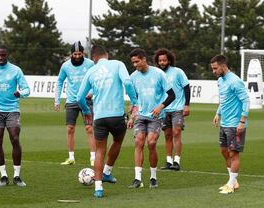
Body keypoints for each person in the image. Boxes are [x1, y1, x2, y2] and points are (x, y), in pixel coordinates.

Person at [77, 45, 138, 198]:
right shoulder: (118, 64)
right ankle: (107, 172)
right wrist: (134, 102)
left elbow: (79, 98)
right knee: (117, 141)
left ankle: (98, 188)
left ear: (94, 58)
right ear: (107, 55)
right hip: (117, 115)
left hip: (99, 117)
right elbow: (128, 83)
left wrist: (86, 112)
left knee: (99, 151)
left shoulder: (91, 71)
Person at [127, 48, 175, 189]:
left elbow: (172, 95)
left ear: (143, 59)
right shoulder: (133, 77)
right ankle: (137, 179)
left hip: (156, 115)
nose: (135, 65)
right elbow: (134, 99)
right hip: (141, 115)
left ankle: (153, 177)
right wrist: (131, 116)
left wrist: (160, 107)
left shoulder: (158, 74)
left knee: (151, 143)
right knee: (138, 143)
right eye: (133, 63)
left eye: (137, 62)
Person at [0, 45, 30, 187]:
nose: (1, 58)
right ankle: (3, 175)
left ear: (7, 55)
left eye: (3, 55)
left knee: (15, 138)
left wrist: (20, 93)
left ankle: (16, 176)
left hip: (12, 109)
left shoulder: (16, 70)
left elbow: (27, 89)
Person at [211, 55, 249, 194]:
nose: (214, 71)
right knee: (224, 151)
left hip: (235, 124)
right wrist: (218, 113)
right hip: (225, 122)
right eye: (212, 69)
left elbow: (246, 101)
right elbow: (224, 100)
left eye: (215, 68)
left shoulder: (235, 81)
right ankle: (233, 181)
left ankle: (231, 184)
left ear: (223, 66)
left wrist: (242, 121)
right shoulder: (221, 80)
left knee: (234, 154)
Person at [54, 41, 96, 166]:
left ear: (83, 53)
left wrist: (92, 91)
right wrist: (57, 100)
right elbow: (60, 81)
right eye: (75, 54)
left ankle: (93, 158)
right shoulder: (65, 66)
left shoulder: (90, 64)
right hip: (71, 101)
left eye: (79, 54)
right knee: (70, 129)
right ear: (71, 54)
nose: (77, 56)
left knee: (89, 128)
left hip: (86, 100)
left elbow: (96, 79)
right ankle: (71, 157)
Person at [154, 48, 190, 171]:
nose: (162, 62)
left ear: (169, 60)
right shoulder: (157, 74)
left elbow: (186, 88)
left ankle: (177, 161)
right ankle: (169, 161)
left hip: (178, 108)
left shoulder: (178, 72)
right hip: (164, 109)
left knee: (176, 132)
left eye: (164, 60)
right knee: (167, 135)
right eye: (160, 60)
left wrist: (187, 105)